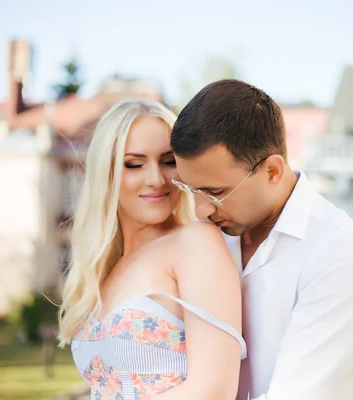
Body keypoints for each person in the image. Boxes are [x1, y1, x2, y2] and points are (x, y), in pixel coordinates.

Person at [170, 79, 353, 400]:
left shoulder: (340, 253)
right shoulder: (204, 241)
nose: (200, 209)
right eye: (191, 190)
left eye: (214, 192)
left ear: (272, 170)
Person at [57, 99, 246, 399]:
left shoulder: (195, 243)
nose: (156, 179)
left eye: (168, 161)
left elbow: (214, 390)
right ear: (106, 173)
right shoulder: (108, 265)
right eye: (134, 164)